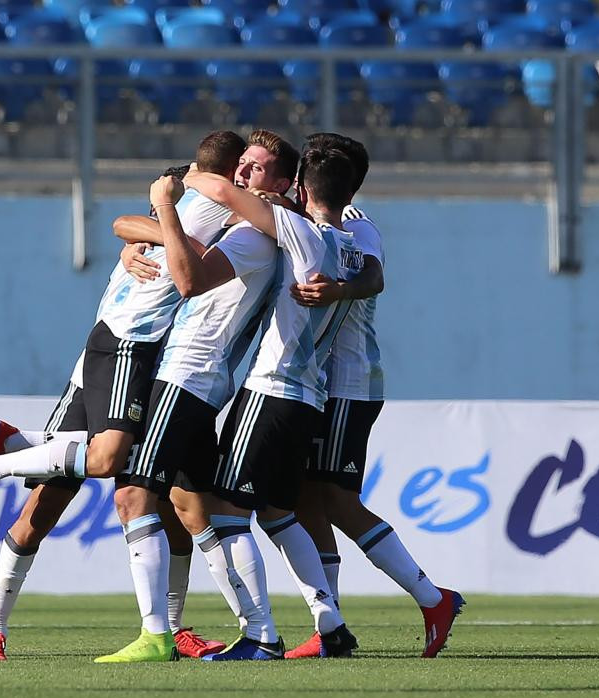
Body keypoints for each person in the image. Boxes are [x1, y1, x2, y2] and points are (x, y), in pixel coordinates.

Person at [0, 130, 249, 661]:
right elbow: (162, 240)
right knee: (61, 497)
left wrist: (153, 229)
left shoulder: (178, 214)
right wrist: (163, 227)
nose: (249, 179)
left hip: (135, 362)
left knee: (171, 502)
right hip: (123, 352)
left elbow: (126, 222)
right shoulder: (204, 201)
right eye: (245, 169)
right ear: (225, 173)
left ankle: (170, 626)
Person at [91, 130, 301, 663]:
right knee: (203, 508)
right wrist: (146, 233)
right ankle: (261, 635)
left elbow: (187, 280)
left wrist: (165, 207)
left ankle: (158, 635)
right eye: (242, 166)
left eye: (255, 170)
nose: (242, 176)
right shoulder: (244, 224)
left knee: (132, 497)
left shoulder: (257, 236)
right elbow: (132, 225)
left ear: (280, 185)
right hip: (194, 377)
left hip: (187, 375)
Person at [176, 145, 370, 658]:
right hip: (310, 396)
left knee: (224, 511)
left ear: (302, 189)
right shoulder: (350, 247)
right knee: (279, 513)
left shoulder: (298, 229)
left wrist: (184, 178)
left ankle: (260, 638)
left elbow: (222, 192)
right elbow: (374, 277)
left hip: (272, 389)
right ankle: (331, 625)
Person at [279, 133, 465, 659]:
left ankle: (433, 598)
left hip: (347, 382)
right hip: (319, 383)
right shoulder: (303, 218)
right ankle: (329, 626)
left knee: (334, 498)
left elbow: (375, 275)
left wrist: (339, 289)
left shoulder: (356, 223)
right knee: (303, 497)